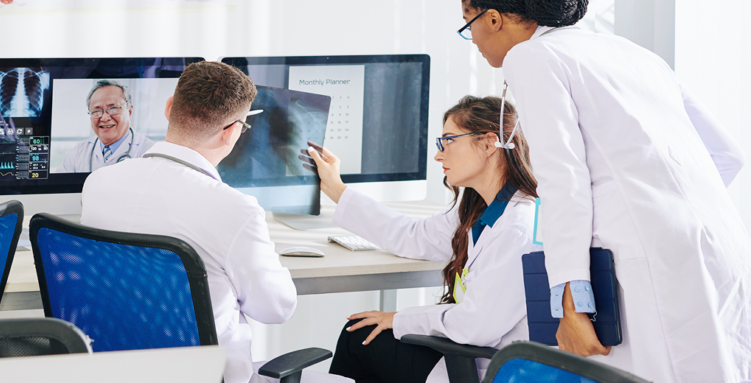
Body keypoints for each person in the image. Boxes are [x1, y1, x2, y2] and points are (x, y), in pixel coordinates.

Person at [458, 1, 751, 382]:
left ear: (493, 18)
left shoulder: (531, 56)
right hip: (723, 244)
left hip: (649, 263)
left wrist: (571, 306)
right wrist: (671, 208)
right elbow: (728, 155)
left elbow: (563, 180)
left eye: (469, 24)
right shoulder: (634, 53)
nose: (474, 40)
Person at [81, 61, 350, 383]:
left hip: (115, 371)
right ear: (232, 132)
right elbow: (275, 309)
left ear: (169, 108)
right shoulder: (235, 210)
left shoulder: (97, 183)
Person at [309, 96, 539, 383]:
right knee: (364, 332)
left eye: (449, 141)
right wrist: (337, 189)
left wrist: (399, 318)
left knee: (360, 337)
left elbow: (476, 326)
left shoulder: (517, 229)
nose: (438, 155)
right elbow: (413, 236)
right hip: (474, 352)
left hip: (494, 369)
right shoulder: (482, 211)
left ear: (489, 143)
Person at [55, 79, 155, 173]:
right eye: (97, 111)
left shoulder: (150, 152)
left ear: (129, 111)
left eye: (113, 108)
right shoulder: (77, 154)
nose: (104, 118)